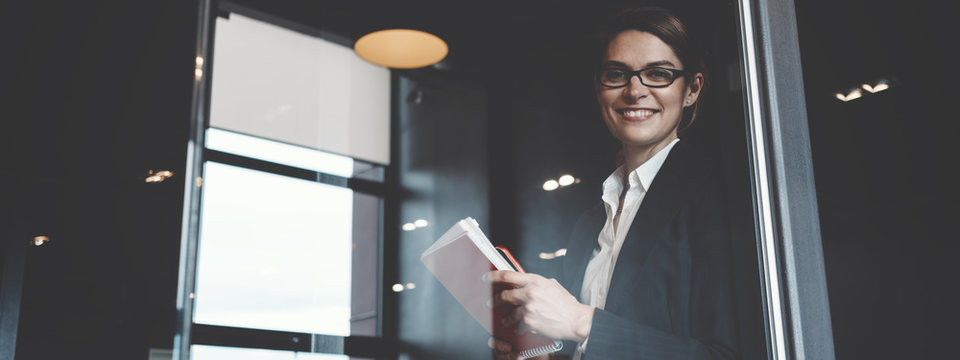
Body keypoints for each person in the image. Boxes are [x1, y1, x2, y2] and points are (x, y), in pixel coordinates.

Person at [488, 7, 738, 360]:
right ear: (599, 87)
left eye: (658, 74)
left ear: (692, 89)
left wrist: (582, 323)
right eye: (617, 74)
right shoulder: (589, 223)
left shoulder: (721, 199)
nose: (635, 91)